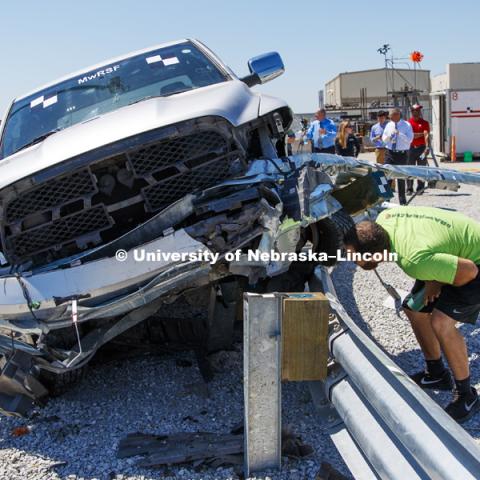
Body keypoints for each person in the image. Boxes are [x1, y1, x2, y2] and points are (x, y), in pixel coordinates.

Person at [343, 206, 480, 423]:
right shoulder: (384, 219)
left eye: (354, 257)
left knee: (441, 323)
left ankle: (467, 395)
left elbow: (469, 272)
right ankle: (437, 374)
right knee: (413, 308)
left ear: (376, 254)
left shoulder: (414, 261)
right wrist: (433, 278)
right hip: (448, 254)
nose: (352, 262)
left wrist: (440, 282)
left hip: (473, 264)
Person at [382, 108, 414, 205]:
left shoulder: (406, 125)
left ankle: (402, 202)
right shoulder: (389, 125)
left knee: (400, 178)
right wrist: (389, 137)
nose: (390, 118)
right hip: (390, 152)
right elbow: (384, 139)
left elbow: (410, 140)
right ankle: (385, 200)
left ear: (397, 115)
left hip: (402, 154)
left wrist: (400, 134)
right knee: (387, 176)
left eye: (391, 116)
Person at [407, 104, 430, 195]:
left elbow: (426, 135)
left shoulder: (425, 123)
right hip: (410, 149)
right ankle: (409, 188)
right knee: (409, 169)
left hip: (422, 149)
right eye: (415, 111)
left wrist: (427, 147)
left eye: (418, 111)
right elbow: (410, 136)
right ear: (412, 112)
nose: (417, 112)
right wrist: (420, 134)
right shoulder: (408, 123)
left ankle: (420, 188)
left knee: (422, 169)